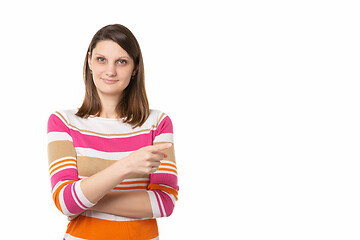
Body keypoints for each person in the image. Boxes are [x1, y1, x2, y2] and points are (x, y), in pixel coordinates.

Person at [47, 24, 179, 240]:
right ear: (89, 61)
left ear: (135, 68)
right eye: (101, 59)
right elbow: (65, 201)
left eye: (122, 61)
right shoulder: (63, 122)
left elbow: (164, 203)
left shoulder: (157, 123)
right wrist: (127, 165)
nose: (110, 71)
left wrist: (82, 200)